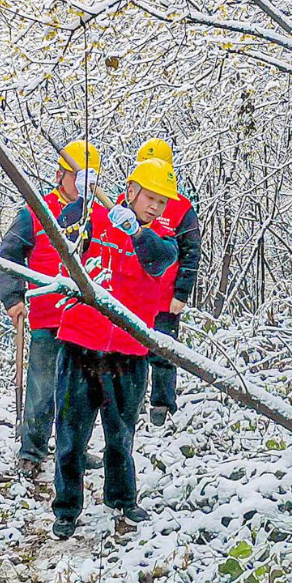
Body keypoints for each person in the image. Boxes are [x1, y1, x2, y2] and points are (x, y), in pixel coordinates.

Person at [51, 158, 179, 538]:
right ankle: (66, 508)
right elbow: (65, 229)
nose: (155, 207)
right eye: (150, 198)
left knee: (121, 435)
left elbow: (159, 261)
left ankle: (122, 499)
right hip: (80, 343)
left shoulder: (164, 237)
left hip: (128, 352)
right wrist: (84, 199)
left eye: (162, 201)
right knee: (71, 434)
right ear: (132, 190)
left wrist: (137, 233)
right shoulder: (97, 217)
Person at [0, 140, 104, 478]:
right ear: (61, 175)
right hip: (47, 315)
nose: (81, 182)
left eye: (88, 176)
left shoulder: (98, 213)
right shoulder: (35, 211)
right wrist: (13, 299)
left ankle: (74, 449)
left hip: (86, 318)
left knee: (80, 391)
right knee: (42, 386)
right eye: (76, 175)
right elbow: (9, 253)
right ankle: (32, 450)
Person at [135, 139, 201, 426]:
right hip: (133, 296)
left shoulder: (181, 208)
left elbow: (191, 253)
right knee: (133, 351)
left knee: (163, 353)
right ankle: (133, 404)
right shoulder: (128, 202)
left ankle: (162, 405)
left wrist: (182, 293)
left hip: (165, 297)